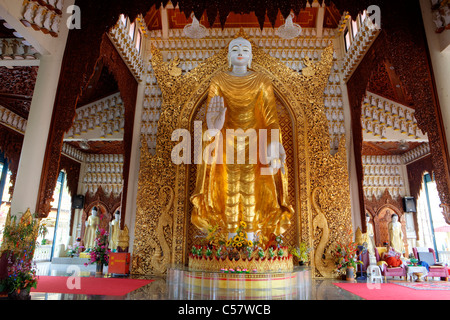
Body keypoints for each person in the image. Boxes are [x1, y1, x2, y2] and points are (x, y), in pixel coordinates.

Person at [190, 37, 294, 242]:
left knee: (252, 191)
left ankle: (252, 245)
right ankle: (227, 244)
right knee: (226, 190)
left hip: (256, 143)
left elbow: (272, 119)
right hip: (225, 142)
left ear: (251, 56)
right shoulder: (218, 80)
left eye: (245, 49)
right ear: (229, 56)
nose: (240, 52)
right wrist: (212, 128)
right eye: (235, 49)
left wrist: (273, 142)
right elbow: (211, 116)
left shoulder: (262, 81)